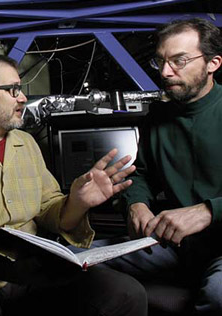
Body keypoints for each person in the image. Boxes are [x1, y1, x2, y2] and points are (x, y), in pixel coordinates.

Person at [0, 53, 147, 316]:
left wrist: (77, 202)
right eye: (12, 90)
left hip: (29, 272)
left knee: (124, 293)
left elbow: (49, 209)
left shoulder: (26, 144)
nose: (23, 98)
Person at [81, 18, 222, 315]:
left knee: (217, 295)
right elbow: (143, 175)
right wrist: (136, 205)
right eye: (160, 61)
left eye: (179, 61)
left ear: (213, 63)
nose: (165, 72)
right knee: (77, 259)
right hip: (175, 245)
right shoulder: (158, 116)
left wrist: (209, 211)